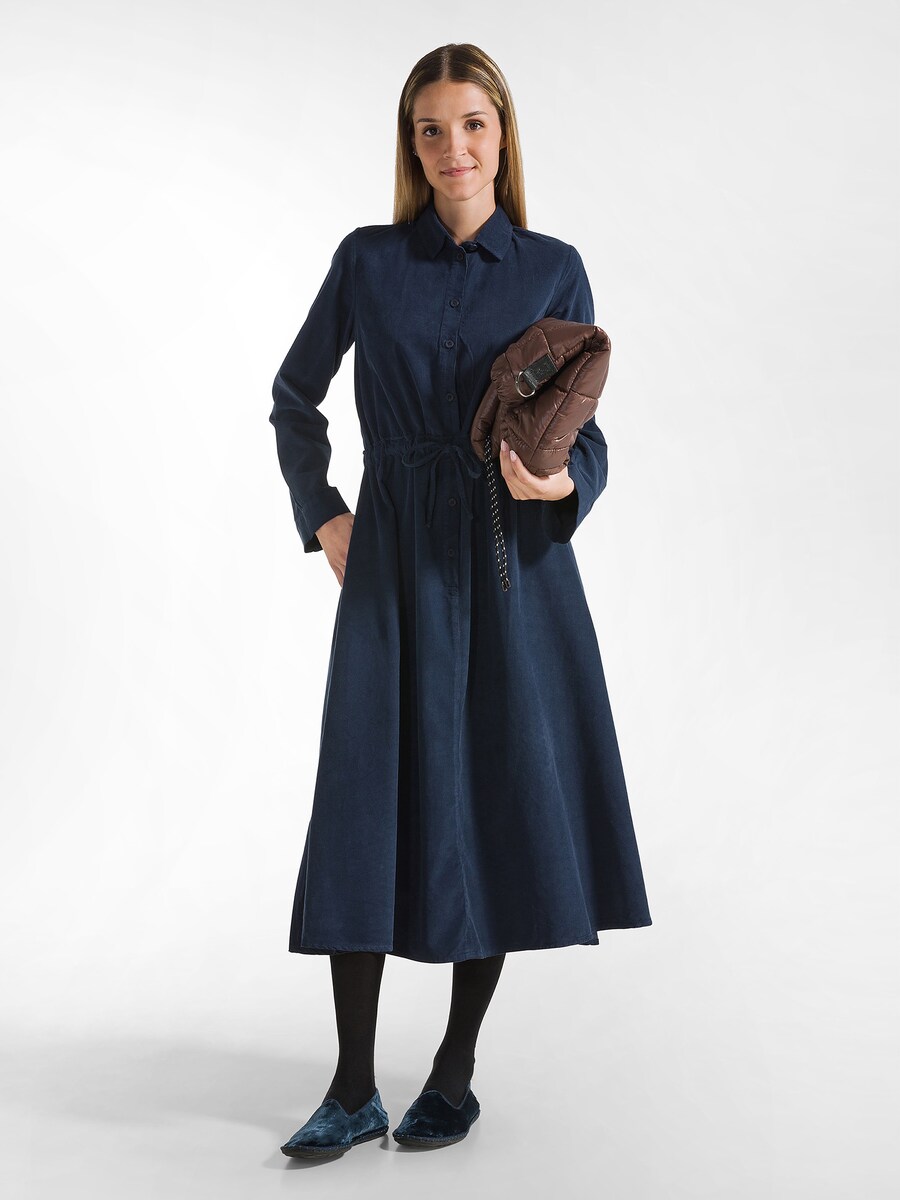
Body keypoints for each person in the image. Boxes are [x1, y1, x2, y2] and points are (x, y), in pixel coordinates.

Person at [269, 43, 652, 1157]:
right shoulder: (367, 260)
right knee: (364, 797)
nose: (454, 149)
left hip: (509, 565)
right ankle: (352, 1085)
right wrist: (323, 514)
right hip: (391, 557)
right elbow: (294, 396)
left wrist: (562, 483)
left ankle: (453, 1071)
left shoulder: (554, 270)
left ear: (502, 134)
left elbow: (589, 431)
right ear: (412, 143)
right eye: (431, 129)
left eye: (472, 125)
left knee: (494, 796)